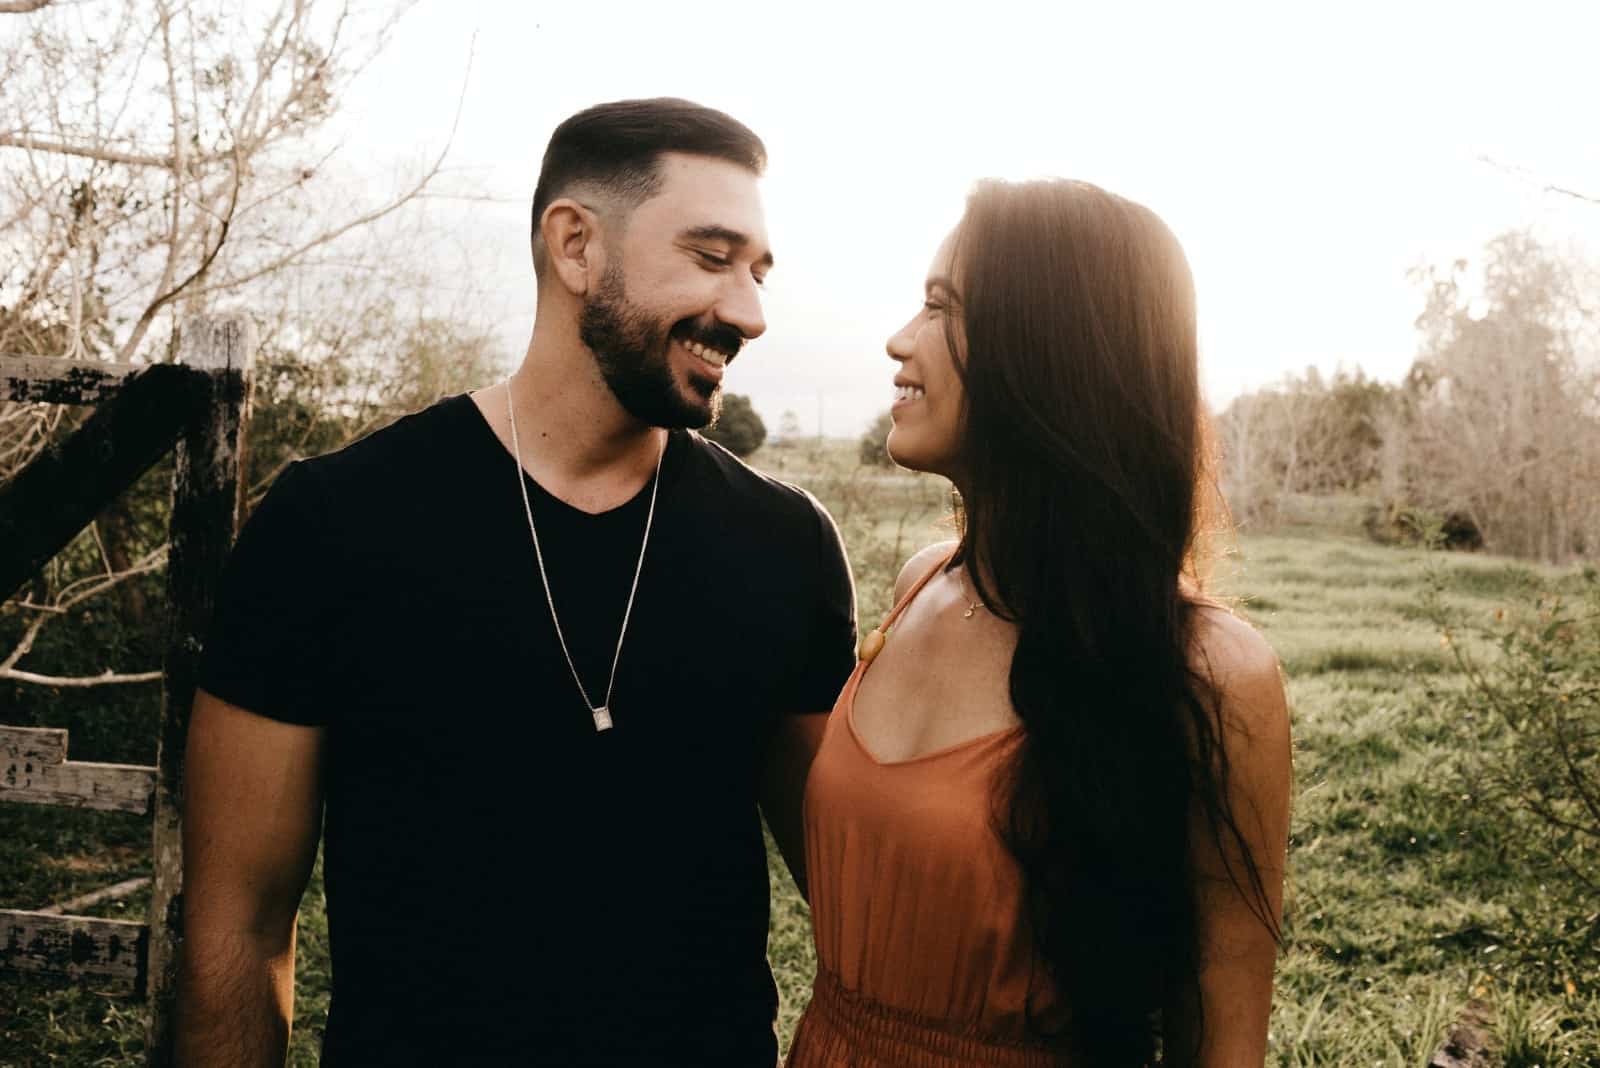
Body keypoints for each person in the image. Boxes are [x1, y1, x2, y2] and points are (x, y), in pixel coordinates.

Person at [175, 98, 857, 1067]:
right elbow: (235, 931)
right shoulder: (332, 525)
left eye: (758, 270)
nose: (748, 311)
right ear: (575, 246)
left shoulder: (787, 547)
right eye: (712, 258)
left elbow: (859, 902)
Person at [785, 179, 1292, 1067]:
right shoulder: (918, 587)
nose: (900, 339)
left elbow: (1221, 1033)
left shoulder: (1208, 669)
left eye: (942, 306)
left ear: (1050, 349)